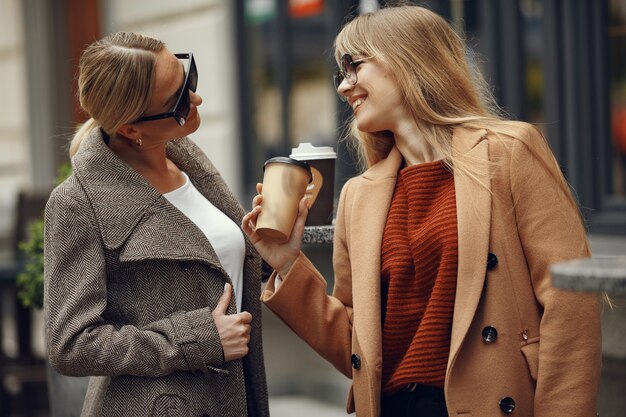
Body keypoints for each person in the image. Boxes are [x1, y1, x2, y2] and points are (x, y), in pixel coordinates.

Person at [242, 5, 601, 417]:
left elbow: (569, 298)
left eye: (354, 65)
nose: (344, 86)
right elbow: (359, 350)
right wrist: (287, 264)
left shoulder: (507, 151)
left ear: (407, 59)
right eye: (342, 73)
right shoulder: (359, 195)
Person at [44, 32, 269, 417]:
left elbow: (217, 269)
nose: (195, 100)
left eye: (189, 80)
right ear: (133, 129)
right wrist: (195, 339)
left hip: (233, 396)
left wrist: (270, 244)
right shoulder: (77, 204)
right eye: (178, 101)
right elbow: (70, 344)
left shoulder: (185, 159)